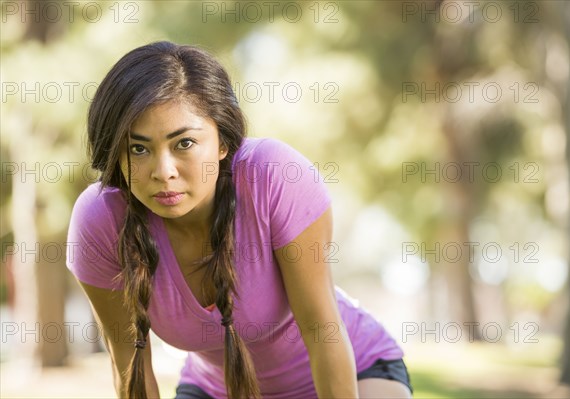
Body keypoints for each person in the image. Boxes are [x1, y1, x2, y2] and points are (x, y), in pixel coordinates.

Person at [66, 41, 413, 399]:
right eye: (138, 148)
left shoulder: (275, 178)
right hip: (216, 389)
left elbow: (321, 332)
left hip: (354, 371)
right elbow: (128, 364)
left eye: (183, 143)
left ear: (222, 141)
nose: (163, 171)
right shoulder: (100, 220)